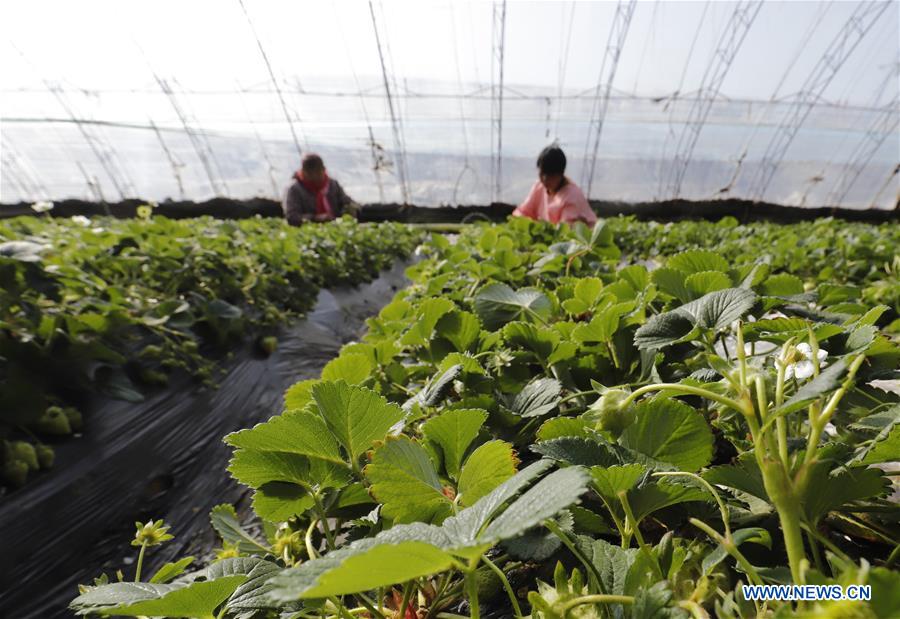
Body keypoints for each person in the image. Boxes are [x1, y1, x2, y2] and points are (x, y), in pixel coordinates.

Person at [512, 145, 597, 226]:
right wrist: (529, 224)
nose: (545, 179)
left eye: (550, 175)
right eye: (542, 173)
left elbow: (565, 232)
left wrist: (536, 227)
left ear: (561, 174)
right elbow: (522, 212)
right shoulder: (539, 187)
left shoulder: (572, 196)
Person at [283, 153, 359, 224]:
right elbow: (292, 217)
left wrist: (350, 211)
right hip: (308, 231)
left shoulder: (332, 185)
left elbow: (346, 202)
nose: (315, 177)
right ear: (303, 172)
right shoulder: (294, 189)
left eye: (318, 173)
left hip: (335, 227)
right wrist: (315, 218)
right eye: (310, 174)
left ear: (324, 169)